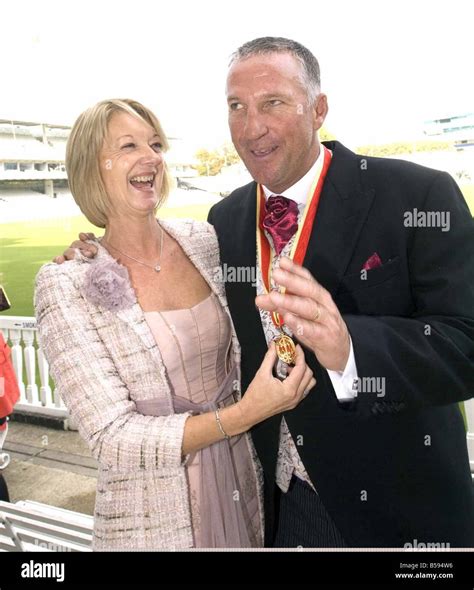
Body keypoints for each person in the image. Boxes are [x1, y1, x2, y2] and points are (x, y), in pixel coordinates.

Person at [60, 38, 474, 548]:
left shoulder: (417, 194)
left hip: (398, 511)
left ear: (318, 109)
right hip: (273, 509)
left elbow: (466, 342)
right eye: (237, 107)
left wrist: (351, 348)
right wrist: (90, 254)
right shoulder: (223, 222)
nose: (251, 126)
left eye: (273, 103)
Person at [35, 98, 315, 551]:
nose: (151, 158)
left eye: (156, 144)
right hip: (152, 515)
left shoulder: (203, 240)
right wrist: (246, 414)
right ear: (92, 167)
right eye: (128, 146)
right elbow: (112, 439)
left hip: (244, 480)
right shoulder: (67, 283)